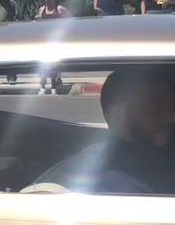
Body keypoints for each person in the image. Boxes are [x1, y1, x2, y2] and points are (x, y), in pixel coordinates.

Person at [36, 70, 175, 194]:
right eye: (157, 106)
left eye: (172, 104)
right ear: (117, 115)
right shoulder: (108, 181)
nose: (171, 116)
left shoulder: (156, 152)